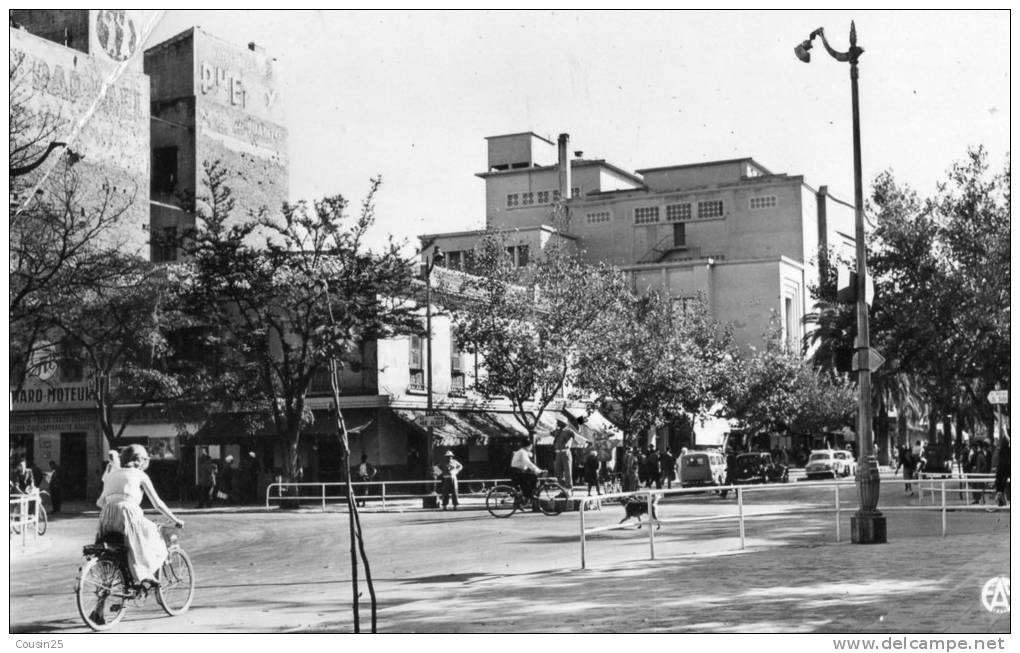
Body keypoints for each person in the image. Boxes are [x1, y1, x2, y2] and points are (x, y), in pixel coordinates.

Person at [95, 444, 184, 590]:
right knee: (156, 536)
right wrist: (175, 519)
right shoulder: (140, 475)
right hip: (128, 514)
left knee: (119, 549)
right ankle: (146, 575)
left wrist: (116, 499)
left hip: (106, 516)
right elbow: (157, 504)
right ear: (141, 461)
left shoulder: (112, 475)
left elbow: (100, 502)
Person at [551, 419, 574, 489]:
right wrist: (536, 432)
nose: (557, 424)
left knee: (567, 471)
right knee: (558, 472)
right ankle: (562, 487)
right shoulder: (556, 431)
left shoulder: (568, 431)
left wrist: (569, 445)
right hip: (558, 453)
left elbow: (574, 438)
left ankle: (568, 488)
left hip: (565, 452)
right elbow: (547, 433)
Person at [994, 430, 1010, 507]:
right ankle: (1000, 496)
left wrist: (1004, 430)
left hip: (1004, 464)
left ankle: (1000, 495)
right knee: (1002, 479)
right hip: (1005, 463)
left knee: (1001, 479)